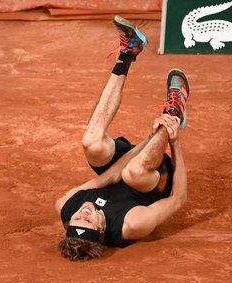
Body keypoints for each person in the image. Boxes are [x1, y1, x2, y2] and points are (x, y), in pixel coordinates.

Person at [54, 16, 190, 261]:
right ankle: (174, 113)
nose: (83, 213)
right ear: (102, 229)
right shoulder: (132, 224)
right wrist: (175, 142)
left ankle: (128, 52)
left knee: (92, 143)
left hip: (124, 167)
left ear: (67, 223)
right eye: (88, 220)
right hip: (153, 179)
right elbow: (178, 199)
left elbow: (109, 177)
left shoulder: (66, 205)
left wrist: (146, 140)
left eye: (77, 218)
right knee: (135, 173)